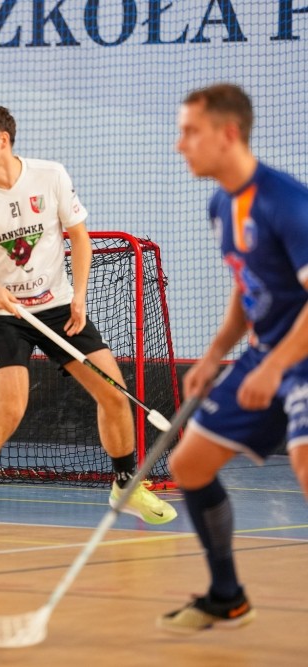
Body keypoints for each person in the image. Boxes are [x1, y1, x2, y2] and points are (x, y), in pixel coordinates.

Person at [0, 104, 177, 535]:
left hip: (59, 307)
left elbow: (79, 237)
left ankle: (125, 487)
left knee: (114, 396)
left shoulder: (50, 176)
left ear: (3, 139)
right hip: (4, 315)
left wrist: (79, 297)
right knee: (9, 409)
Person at [158, 84, 308, 632]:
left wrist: (274, 367)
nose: (180, 145)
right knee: (189, 465)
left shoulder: (285, 202)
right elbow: (248, 285)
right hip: (267, 355)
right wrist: (216, 353)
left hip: (298, 358)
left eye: (190, 132)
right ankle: (227, 597)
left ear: (228, 133)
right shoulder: (220, 203)